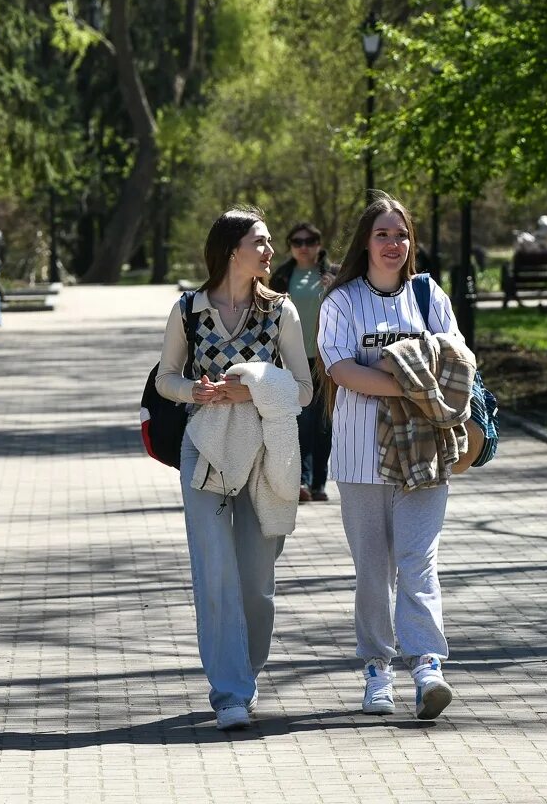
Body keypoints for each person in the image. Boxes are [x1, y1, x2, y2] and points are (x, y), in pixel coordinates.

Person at [153, 208, 313, 731]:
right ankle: (230, 692)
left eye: (269, 243)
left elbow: (305, 388)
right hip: (204, 448)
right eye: (260, 243)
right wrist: (192, 391)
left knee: (255, 581)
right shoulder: (187, 310)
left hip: (264, 450)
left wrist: (250, 390)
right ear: (230, 250)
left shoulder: (280, 311)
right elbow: (166, 379)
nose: (270, 252)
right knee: (214, 572)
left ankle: (248, 669)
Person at [318, 192, 462, 722]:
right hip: (361, 457)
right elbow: (340, 369)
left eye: (401, 235)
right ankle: (377, 667)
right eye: (382, 234)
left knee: (418, 562)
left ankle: (427, 666)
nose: (393, 244)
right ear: (365, 241)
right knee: (373, 569)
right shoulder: (342, 302)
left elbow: (455, 362)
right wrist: (408, 384)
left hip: (425, 453)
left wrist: (414, 389)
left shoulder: (429, 298)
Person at [272, 221, 332, 502]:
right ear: (290, 247)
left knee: (324, 423)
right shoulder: (281, 276)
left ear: (319, 244)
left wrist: (335, 289)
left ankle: (319, 483)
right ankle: (302, 481)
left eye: (310, 241)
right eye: (298, 242)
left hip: (328, 358)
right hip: (294, 359)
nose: (304, 247)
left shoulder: (333, 275)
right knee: (302, 420)